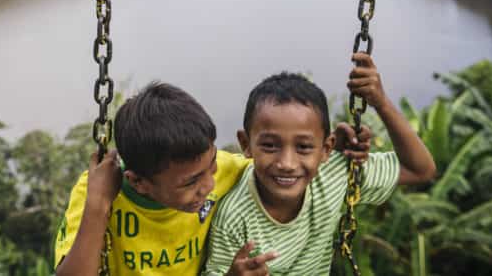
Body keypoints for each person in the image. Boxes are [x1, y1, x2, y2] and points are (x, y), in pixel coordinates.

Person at [54, 82, 370, 275]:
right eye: (190, 183)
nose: (207, 185)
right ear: (139, 182)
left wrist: (324, 152)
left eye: (211, 166)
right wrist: (98, 204)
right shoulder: (97, 191)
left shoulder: (227, 168)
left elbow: (282, 168)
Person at [202, 54, 437, 275]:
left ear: (326, 148)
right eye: (270, 146)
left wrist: (381, 103)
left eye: (303, 147)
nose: (287, 163)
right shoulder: (233, 218)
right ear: (246, 144)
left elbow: (420, 170)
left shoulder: (333, 175)